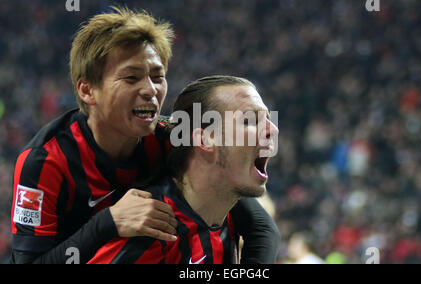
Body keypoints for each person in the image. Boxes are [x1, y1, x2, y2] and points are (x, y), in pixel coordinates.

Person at [10, 8, 280, 264]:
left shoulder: (167, 135)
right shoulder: (45, 162)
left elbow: (260, 226)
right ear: (87, 90)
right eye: (131, 77)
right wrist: (107, 223)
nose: (150, 89)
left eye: (157, 76)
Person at [88, 75, 279, 263]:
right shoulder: (151, 233)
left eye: (268, 119)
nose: (274, 129)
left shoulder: (226, 218)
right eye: (250, 120)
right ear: (205, 139)